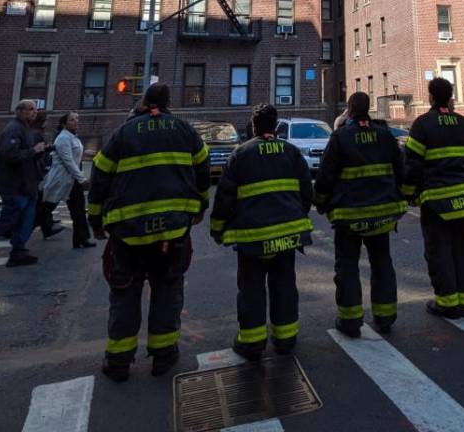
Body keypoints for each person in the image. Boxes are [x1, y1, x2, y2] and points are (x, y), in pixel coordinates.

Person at [88, 84, 210, 382]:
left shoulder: (123, 133)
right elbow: (203, 171)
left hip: (128, 233)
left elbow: (99, 176)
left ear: (143, 102)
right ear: (169, 102)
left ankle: (118, 360)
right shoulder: (186, 131)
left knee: (125, 291)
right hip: (172, 231)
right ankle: (163, 355)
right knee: (167, 289)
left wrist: (95, 220)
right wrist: (199, 207)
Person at [210, 104, 313, 361]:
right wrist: (298, 214)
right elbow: (306, 192)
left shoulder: (240, 154)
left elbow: (224, 197)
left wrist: (217, 229)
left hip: (252, 238)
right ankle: (286, 339)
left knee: (252, 288)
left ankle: (252, 343)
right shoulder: (291, 152)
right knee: (285, 285)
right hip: (287, 235)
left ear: (254, 126)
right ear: (276, 126)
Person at [314, 92, 406, 337]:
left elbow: (325, 176)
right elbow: (401, 171)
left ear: (350, 110)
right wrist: (403, 198)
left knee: (347, 267)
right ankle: (385, 316)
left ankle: (350, 321)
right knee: (382, 263)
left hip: (349, 217)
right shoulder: (385, 135)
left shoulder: (340, 137)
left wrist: (321, 203)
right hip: (383, 216)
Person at [403, 78, 464, 319]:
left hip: (437, 200)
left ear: (430, 97)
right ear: (450, 96)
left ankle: (448, 303)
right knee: (462, 248)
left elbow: (412, 164)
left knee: (439, 251)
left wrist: (408, 193)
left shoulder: (422, 125)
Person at [0, 100, 46, 267]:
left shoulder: (25, 129)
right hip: (15, 186)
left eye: (35, 110)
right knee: (7, 221)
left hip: (27, 185)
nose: (34, 112)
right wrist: (34, 150)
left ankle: (18, 251)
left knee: (26, 219)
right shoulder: (14, 129)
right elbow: (10, 155)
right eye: (30, 109)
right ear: (19, 111)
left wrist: (40, 152)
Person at [41, 112, 95, 249]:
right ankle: (16, 230)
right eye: (72, 119)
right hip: (63, 179)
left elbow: (73, 156)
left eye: (77, 119)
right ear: (64, 123)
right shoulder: (63, 138)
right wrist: (82, 179)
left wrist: (85, 153)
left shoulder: (72, 137)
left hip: (71, 180)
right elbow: (68, 161)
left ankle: (81, 239)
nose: (76, 121)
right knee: (46, 208)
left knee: (78, 209)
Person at [30, 111, 64, 239]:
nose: (47, 122)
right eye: (46, 119)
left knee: (41, 201)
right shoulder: (36, 134)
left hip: (38, 173)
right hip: (36, 174)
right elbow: (37, 152)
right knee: (40, 202)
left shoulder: (35, 133)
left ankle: (46, 226)